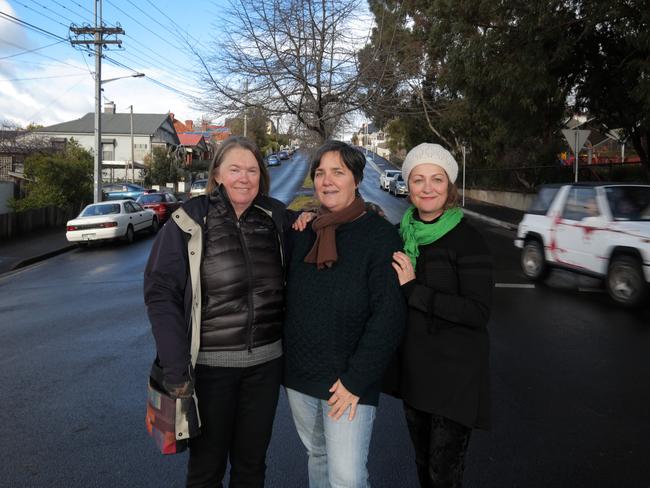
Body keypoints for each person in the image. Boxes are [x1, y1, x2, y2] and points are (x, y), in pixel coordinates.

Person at [144, 136, 306, 487]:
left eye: (252, 170)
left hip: (265, 368)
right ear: (217, 173)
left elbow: (318, 229)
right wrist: (175, 367)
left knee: (251, 469)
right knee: (206, 471)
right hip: (209, 372)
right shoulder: (188, 222)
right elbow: (160, 294)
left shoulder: (276, 217)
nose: (244, 178)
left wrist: (359, 213)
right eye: (234, 169)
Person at [283, 140, 407, 488]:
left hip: (349, 383)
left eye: (338, 172)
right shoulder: (304, 232)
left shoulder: (380, 236)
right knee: (318, 457)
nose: (327, 181)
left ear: (356, 178)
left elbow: (389, 315)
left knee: (347, 478)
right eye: (320, 173)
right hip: (301, 376)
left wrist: (356, 380)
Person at [389, 143, 494, 488]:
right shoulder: (402, 235)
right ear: (409, 185)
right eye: (418, 179)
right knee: (423, 467)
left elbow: (477, 312)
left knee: (443, 474)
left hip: (456, 376)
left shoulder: (468, 239)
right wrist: (313, 215)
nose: (428, 187)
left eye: (437, 179)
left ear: (449, 186)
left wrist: (414, 290)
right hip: (416, 372)